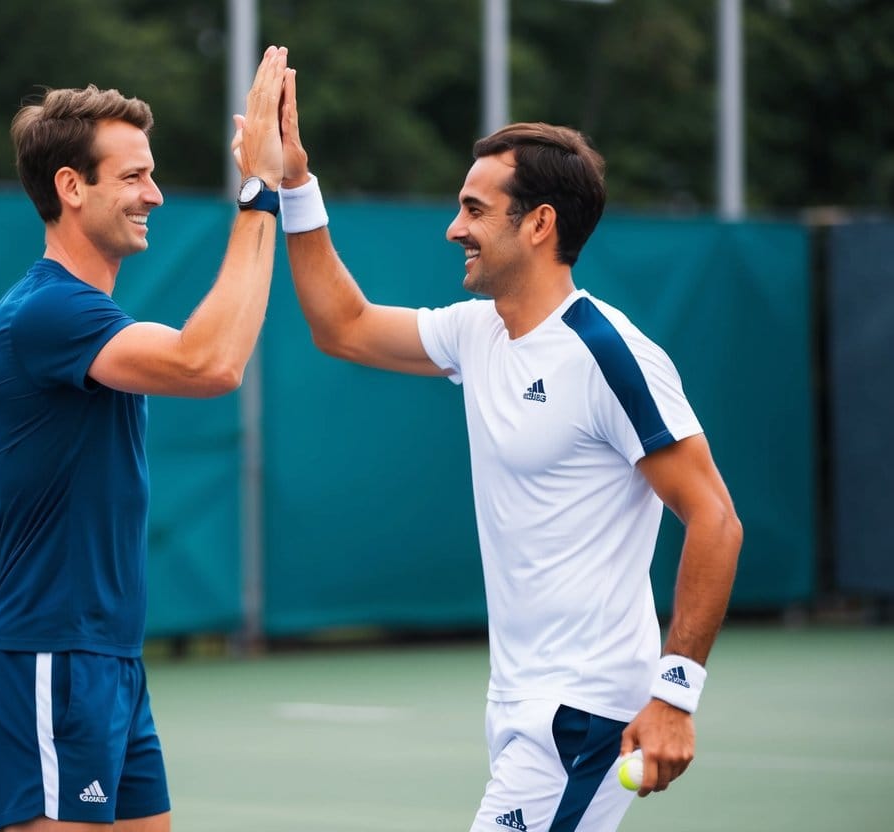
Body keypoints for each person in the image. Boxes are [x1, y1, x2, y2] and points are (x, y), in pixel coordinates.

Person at [275, 68, 742, 832]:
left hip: (583, 711)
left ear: (538, 224)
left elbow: (714, 518)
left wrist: (675, 695)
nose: (454, 227)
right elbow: (342, 325)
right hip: (520, 702)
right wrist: (294, 183)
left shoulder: (608, 354)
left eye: (473, 209)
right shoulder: (476, 331)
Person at [0, 46, 289, 832]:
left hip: (106, 659)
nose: (153, 194)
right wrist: (259, 192)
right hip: (50, 660)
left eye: (151, 174)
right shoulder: (48, 314)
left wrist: (14, 538)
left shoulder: (24, 314)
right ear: (70, 187)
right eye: (132, 177)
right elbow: (212, 361)